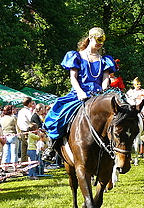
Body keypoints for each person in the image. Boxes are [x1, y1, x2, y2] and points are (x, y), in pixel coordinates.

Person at [43, 27, 117, 162]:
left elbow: (105, 78)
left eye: (102, 41)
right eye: (98, 40)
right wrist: (80, 92)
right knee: (60, 113)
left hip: (98, 93)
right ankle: (52, 147)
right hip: (80, 93)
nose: (100, 43)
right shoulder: (76, 56)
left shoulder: (105, 60)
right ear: (90, 38)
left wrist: (103, 90)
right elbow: (73, 77)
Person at [17, 97, 35, 162]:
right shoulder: (27, 111)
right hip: (27, 131)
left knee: (23, 150)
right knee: (30, 148)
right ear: (29, 103)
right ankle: (31, 166)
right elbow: (31, 120)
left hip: (22, 131)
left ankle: (23, 166)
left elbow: (18, 122)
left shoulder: (20, 111)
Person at [0, 105, 18, 170]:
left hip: (5, 135)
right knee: (14, 152)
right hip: (13, 135)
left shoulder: (2, 118)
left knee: (5, 152)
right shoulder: (14, 118)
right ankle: (15, 168)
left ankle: (4, 168)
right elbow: (17, 127)